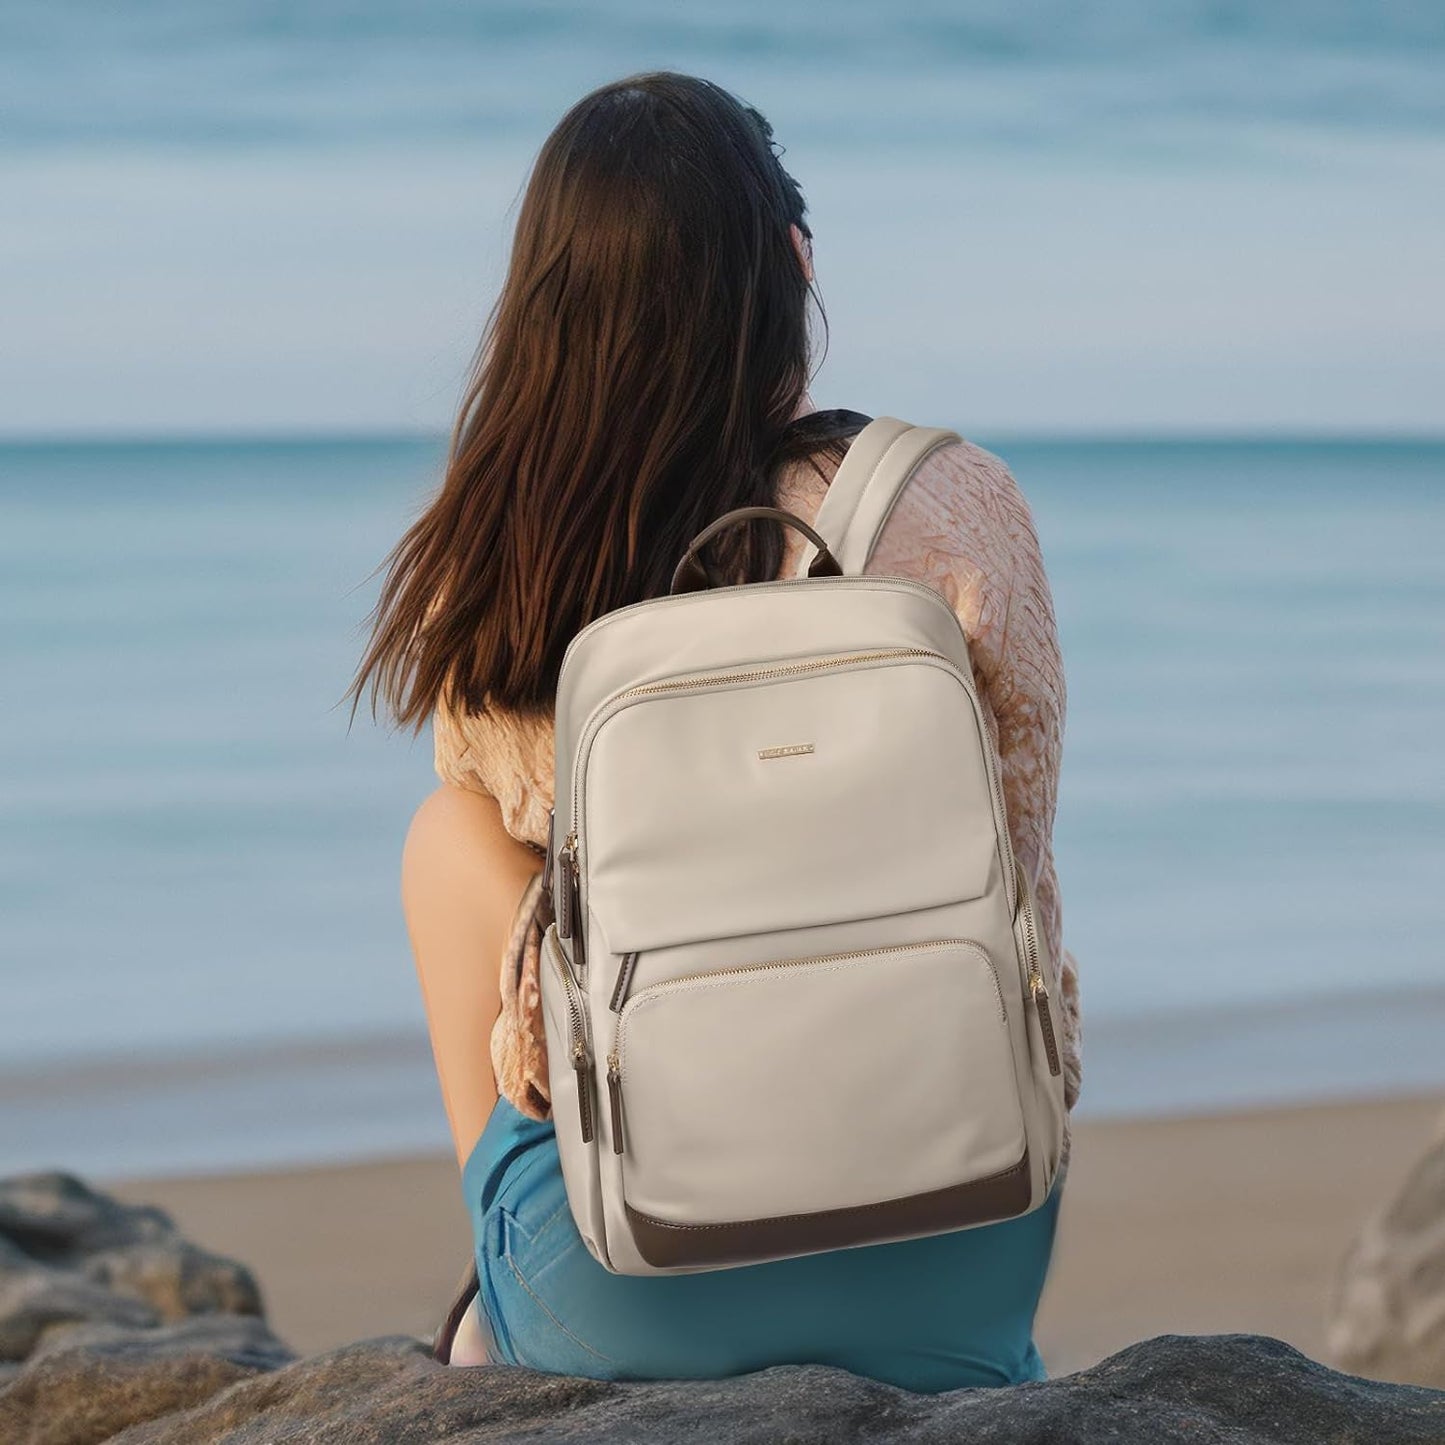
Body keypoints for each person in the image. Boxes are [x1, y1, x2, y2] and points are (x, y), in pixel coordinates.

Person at [347, 70, 1082, 1393]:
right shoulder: (952, 499)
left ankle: (499, 1318)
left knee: (450, 840)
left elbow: (534, 991)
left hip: (632, 1292)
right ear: (792, 259)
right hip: (963, 1244)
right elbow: (1019, 836)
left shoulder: (502, 549)